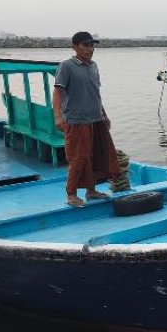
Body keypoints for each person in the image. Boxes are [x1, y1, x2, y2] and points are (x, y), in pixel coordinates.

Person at [52, 31, 119, 207]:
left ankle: (92, 191)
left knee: (97, 155)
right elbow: (58, 92)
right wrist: (58, 116)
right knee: (78, 158)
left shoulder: (94, 66)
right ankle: (71, 194)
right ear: (75, 47)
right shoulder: (66, 66)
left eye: (92, 45)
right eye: (85, 45)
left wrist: (104, 115)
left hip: (96, 119)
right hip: (76, 120)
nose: (90, 49)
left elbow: (95, 92)